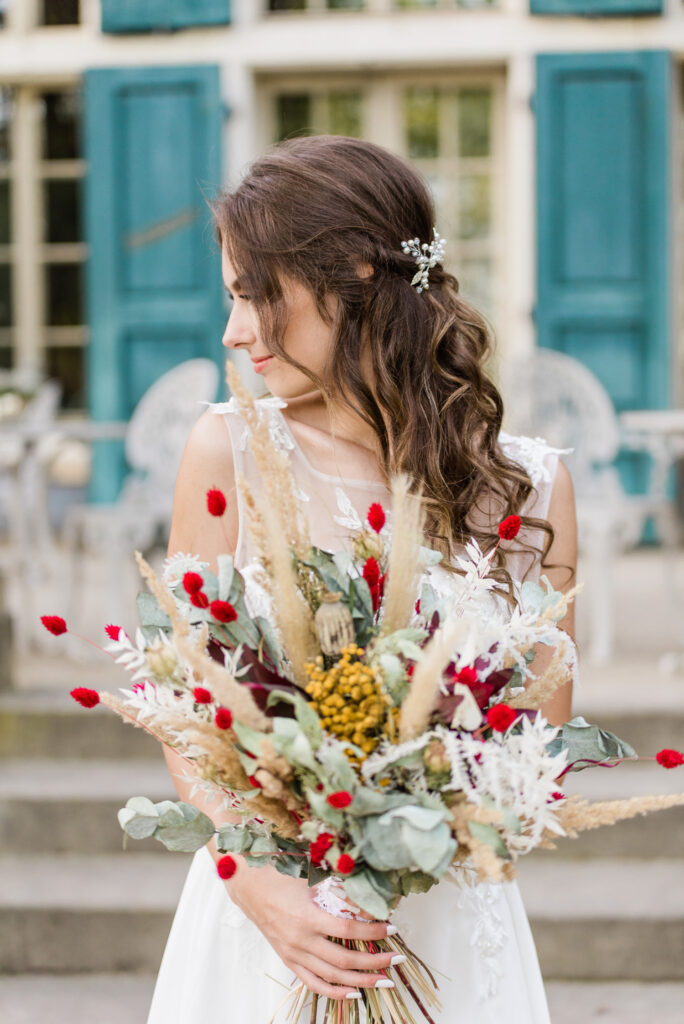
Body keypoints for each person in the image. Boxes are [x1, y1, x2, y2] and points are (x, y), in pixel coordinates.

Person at [147, 135, 577, 1023]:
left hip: (448, 919)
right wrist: (261, 884)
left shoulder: (530, 487)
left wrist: (402, 825)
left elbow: (541, 738)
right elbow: (188, 709)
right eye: (231, 298)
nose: (233, 332)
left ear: (354, 274)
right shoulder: (227, 449)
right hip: (268, 919)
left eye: (254, 295)